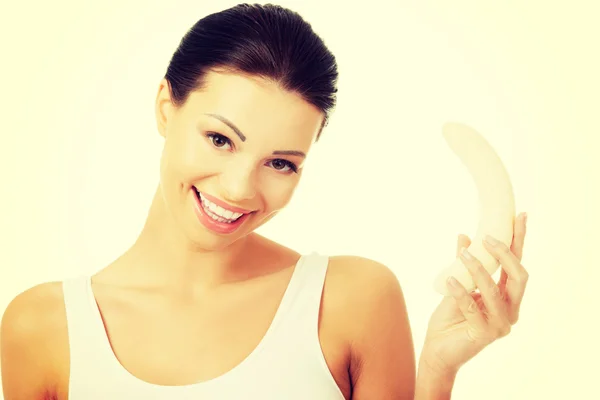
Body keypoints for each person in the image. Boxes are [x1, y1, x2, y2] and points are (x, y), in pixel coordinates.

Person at [0, 3, 529, 399]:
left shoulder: (352, 300)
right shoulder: (44, 328)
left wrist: (437, 368)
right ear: (166, 108)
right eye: (220, 139)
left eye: (281, 163)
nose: (238, 189)